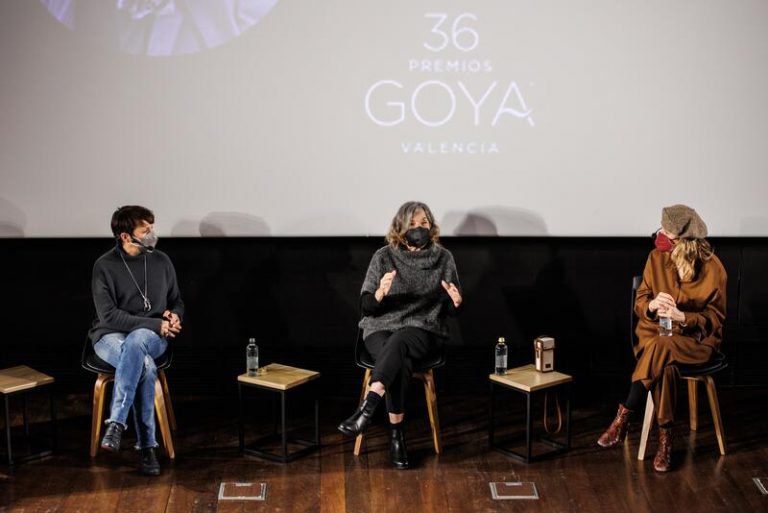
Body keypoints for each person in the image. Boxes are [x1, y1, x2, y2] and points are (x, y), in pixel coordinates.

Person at [597, 205, 726, 472]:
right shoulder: (655, 258)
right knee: (664, 363)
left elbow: (715, 320)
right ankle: (665, 439)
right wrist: (653, 305)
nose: (661, 235)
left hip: (695, 343)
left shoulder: (714, 269)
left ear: (684, 240)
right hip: (655, 336)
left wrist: (683, 317)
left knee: (661, 350)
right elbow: (641, 301)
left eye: (667, 232)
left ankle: (624, 416)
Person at [337, 201, 462, 469]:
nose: (418, 229)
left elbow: (451, 311)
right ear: (400, 227)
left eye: (424, 224)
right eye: (412, 224)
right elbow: (367, 305)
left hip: (424, 329)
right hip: (381, 328)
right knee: (398, 358)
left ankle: (367, 408)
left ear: (432, 227)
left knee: (401, 341)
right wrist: (380, 293)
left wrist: (456, 302)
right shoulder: (384, 257)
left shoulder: (443, 258)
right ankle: (397, 436)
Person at [89, 205, 184, 476]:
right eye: (146, 230)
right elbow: (109, 316)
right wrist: (156, 323)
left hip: (153, 337)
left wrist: (174, 315)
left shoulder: (161, 261)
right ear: (126, 237)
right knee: (144, 366)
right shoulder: (104, 266)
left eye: (152, 228)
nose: (152, 234)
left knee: (140, 339)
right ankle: (146, 447)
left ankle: (117, 422)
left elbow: (177, 300)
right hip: (109, 337)